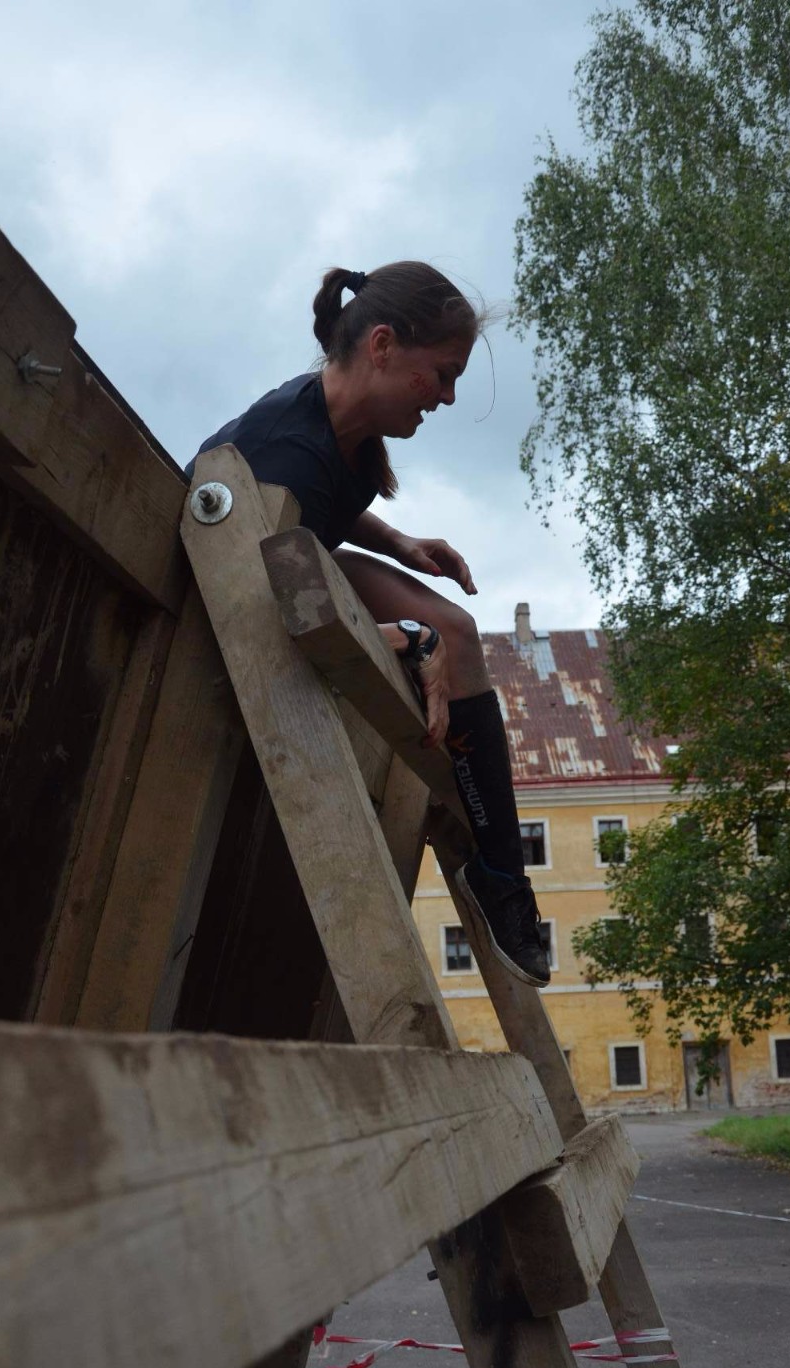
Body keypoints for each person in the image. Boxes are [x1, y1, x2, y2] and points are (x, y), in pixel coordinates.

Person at [187, 261, 549, 987]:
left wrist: (399, 543)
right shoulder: (285, 446)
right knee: (434, 635)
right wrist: (406, 641)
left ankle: (501, 875)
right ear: (382, 345)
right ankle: (501, 875)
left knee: (457, 629)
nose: (447, 398)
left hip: (298, 567)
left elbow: (323, 507)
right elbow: (257, 613)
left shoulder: (339, 429)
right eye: (442, 375)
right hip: (224, 620)